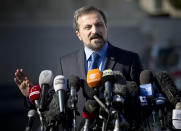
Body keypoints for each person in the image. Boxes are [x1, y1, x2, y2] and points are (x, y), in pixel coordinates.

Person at [14, 6, 143, 130]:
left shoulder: (129, 60)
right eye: (88, 27)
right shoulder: (65, 63)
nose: (95, 31)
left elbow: (141, 105)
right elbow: (52, 107)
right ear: (78, 34)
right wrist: (31, 93)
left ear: (106, 27)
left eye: (99, 25)